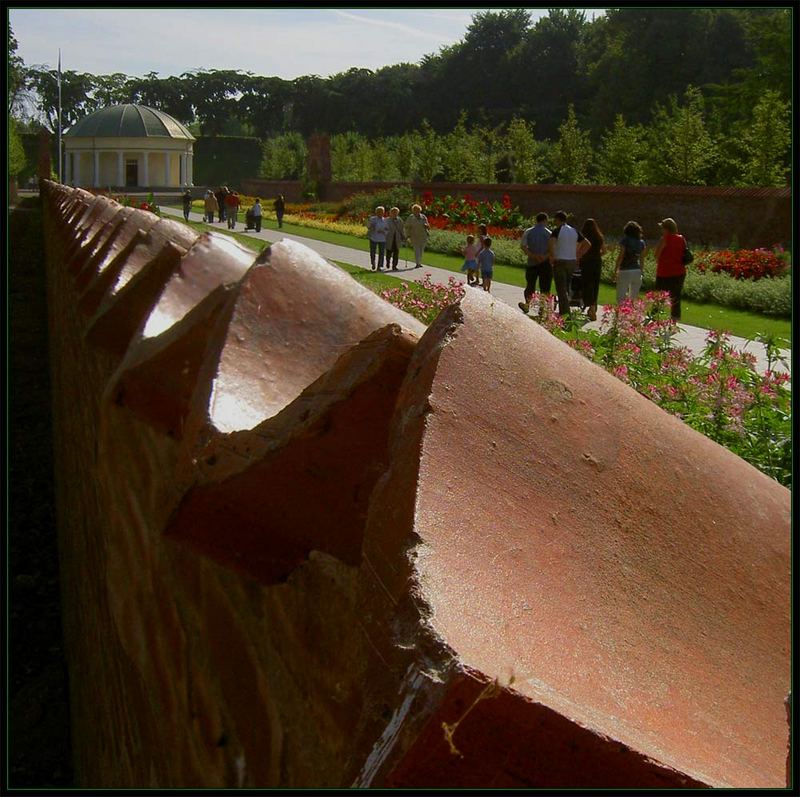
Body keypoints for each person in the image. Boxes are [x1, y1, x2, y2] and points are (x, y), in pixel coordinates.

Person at [548, 210, 590, 316]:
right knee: (566, 287)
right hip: (571, 261)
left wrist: (552, 256)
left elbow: (551, 243)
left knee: (561, 289)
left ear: (558, 219)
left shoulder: (557, 231)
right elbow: (587, 244)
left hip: (560, 260)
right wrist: (578, 255)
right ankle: (565, 310)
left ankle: (565, 313)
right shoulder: (574, 231)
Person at [653, 217, 688, 321]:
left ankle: (655, 317)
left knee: (659, 296)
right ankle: (675, 319)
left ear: (666, 229)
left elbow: (656, 255)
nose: (661, 230)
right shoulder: (681, 238)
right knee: (676, 297)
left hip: (664, 272)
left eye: (662, 228)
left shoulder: (664, 239)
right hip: (679, 272)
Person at [518, 212, 552, 315]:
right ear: (545, 220)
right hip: (545, 263)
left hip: (532, 262)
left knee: (530, 285)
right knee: (545, 287)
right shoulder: (549, 233)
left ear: (536, 220)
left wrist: (533, 255)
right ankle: (542, 309)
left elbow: (523, 246)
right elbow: (552, 249)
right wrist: (544, 257)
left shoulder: (528, 232)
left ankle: (527, 304)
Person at [578, 218, 606, 321]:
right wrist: (598, 255)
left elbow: (580, 248)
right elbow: (604, 251)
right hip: (597, 262)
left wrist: (579, 257)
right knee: (595, 284)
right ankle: (593, 305)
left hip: (586, 262)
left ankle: (590, 306)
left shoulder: (584, 236)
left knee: (587, 283)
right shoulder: (599, 237)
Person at [615, 220, 646, 304]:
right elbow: (642, 258)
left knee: (621, 296)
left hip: (625, 270)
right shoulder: (641, 242)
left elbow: (621, 255)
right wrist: (641, 271)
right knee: (633, 298)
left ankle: (621, 315)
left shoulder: (625, 240)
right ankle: (632, 315)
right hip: (637, 270)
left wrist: (616, 269)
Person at [404, 203, 430, 269]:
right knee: (416, 250)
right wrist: (407, 235)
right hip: (414, 235)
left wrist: (426, 226)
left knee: (421, 250)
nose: (417, 211)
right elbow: (407, 226)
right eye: (415, 210)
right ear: (413, 210)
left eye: (418, 210)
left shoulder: (423, 217)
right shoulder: (411, 217)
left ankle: (419, 262)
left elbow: (428, 226)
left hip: (423, 235)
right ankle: (417, 263)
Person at [367, 206, 389, 270]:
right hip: (373, 237)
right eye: (379, 212)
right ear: (376, 212)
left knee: (381, 253)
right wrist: (371, 227)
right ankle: (373, 263)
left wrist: (384, 231)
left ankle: (379, 266)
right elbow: (368, 226)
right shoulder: (372, 219)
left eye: (382, 212)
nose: (380, 213)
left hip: (382, 239)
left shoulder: (385, 220)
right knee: (373, 252)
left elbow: (387, 230)